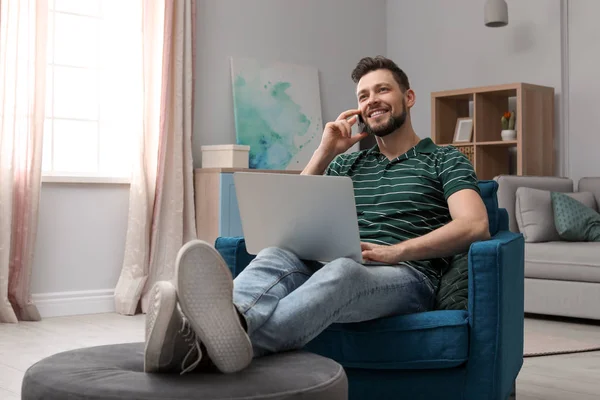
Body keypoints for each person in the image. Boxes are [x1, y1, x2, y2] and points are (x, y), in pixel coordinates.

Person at [143, 56, 491, 375]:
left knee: (344, 270)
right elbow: (291, 217)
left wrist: (396, 251)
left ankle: (195, 344)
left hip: (407, 276)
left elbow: (474, 225)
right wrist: (324, 152)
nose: (372, 100)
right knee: (277, 253)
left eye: (382, 89)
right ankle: (220, 330)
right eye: (363, 95)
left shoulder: (444, 159)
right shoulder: (348, 161)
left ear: (409, 97)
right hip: (335, 262)